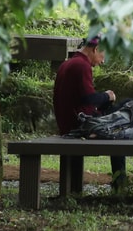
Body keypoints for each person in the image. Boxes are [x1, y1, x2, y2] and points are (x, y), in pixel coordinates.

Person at [53, 34, 126, 191]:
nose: (102, 61)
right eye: (102, 55)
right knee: (119, 128)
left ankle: (118, 184)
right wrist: (108, 96)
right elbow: (88, 98)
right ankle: (120, 185)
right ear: (96, 49)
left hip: (68, 122)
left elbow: (82, 99)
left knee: (115, 113)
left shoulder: (68, 63)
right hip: (78, 126)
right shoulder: (81, 66)